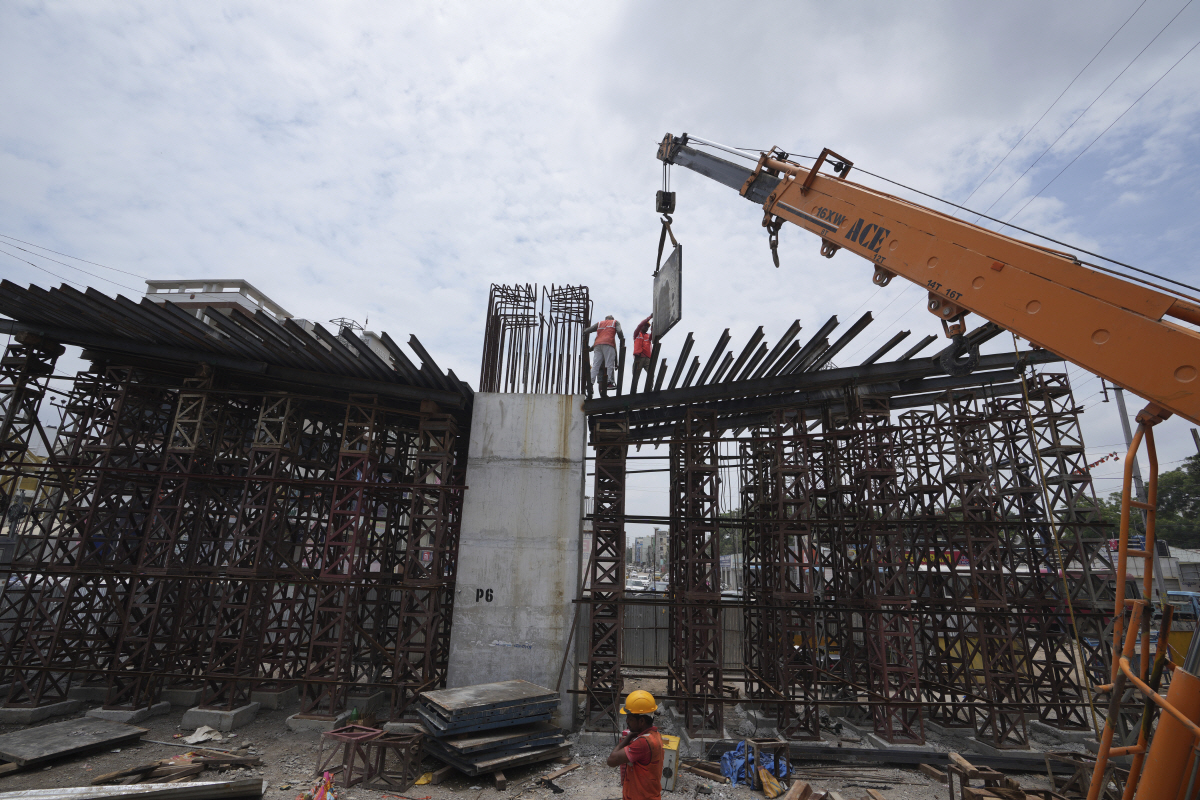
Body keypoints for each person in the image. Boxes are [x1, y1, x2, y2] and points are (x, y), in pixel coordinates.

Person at [606, 689, 663, 800]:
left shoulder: (642, 743)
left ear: (641, 721)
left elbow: (611, 761)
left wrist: (628, 737)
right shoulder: (655, 736)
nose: (627, 721)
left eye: (630, 718)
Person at [584, 315, 625, 396]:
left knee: (596, 365)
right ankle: (609, 382)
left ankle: (590, 383)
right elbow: (619, 331)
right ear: (612, 319)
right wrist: (621, 339)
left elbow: (588, 330)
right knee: (609, 364)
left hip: (598, 345)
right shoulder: (615, 322)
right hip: (609, 343)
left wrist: (584, 331)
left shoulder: (599, 323)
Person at [631, 314, 653, 391]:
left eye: (648, 327)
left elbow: (653, 334)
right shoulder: (637, 334)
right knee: (636, 375)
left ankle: (649, 390)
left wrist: (653, 327)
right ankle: (634, 391)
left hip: (647, 358)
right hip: (639, 358)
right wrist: (649, 318)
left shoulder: (648, 336)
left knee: (651, 373)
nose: (646, 327)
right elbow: (639, 326)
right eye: (645, 326)